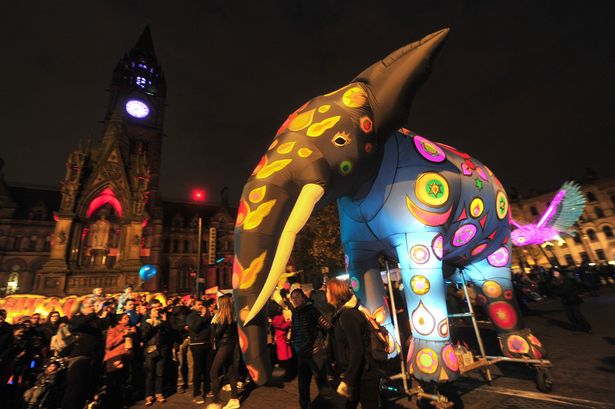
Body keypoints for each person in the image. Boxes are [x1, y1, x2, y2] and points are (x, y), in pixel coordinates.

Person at [326, 278, 380, 409]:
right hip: (354, 373)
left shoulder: (348, 316)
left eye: (327, 291)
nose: (325, 294)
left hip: (364, 374)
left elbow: (357, 350)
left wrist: (348, 380)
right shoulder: (340, 314)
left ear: (335, 294)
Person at [62, 297, 111, 409]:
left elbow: (102, 325)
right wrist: (94, 314)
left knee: (86, 389)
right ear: (82, 308)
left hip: (93, 358)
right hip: (79, 356)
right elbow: (76, 326)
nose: (93, 308)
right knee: (75, 388)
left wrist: (104, 313)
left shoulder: (93, 320)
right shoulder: (77, 318)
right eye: (90, 306)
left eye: (93, 306)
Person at [286, 288, 331, 409]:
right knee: (303, 387)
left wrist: (324, 343)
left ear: (303, 297)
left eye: (297, 296)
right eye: (293, 297)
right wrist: (293, 341)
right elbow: (295, 330)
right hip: (301, 354)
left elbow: (326, 325)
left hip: (315, 354)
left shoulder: (311, 309)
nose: (295, 299)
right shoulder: (295, 312)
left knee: (323, 385)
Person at [207, 294, 240, 409]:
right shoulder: (230, 315)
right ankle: (234, 399)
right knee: (230, 371)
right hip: (229, 345)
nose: (217, 304)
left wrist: (212, 324)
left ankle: (216, 402)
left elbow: (216, 334)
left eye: (219, 302)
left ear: (223, 304)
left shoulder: (223, 317)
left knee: (213, 371)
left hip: (224, 346)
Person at [141, 299, 172, 406]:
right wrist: (152, 324)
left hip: (162, 348)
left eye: (158, 310)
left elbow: (169, 333)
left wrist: (165, 321)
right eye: (155, 310)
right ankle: (149, 395)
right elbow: (144, 336)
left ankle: (159, 393)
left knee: (160, 372)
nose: (157, 312)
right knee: (150, 373)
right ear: (150, 312)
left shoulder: (162, 321)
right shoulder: (146, 322)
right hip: (150, 349)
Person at [104, 313, 136, 408]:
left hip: (127, 358)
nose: (128, 319)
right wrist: (122, 335)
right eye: (125, 318)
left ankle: (122, 402)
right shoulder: (113, 330)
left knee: (124, 381)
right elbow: (109, 344)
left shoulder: (131, 329)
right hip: (115, 358)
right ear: (119, 321)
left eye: (128, 317)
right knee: (114, 383)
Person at [186, 298, 215, 404]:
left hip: (207, 344)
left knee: (207, 369)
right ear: (193, 306)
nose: (201, 306)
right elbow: (195, 328)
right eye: (198, 305)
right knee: (197, 370)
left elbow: (211, 327)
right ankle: (197, 393)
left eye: (202, 305)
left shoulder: (206, 316)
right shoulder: (191, 316)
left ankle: (207, 390)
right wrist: (203, 316)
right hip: (197, 345)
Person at [270, 302, 293, 378]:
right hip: (282, 339)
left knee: (284, 357)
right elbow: (283, 326)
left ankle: (286, 373)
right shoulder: (278, 319)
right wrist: (289, 322)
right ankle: (286, 374)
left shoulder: (275, 319)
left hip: (282, 339)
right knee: (284, 357)